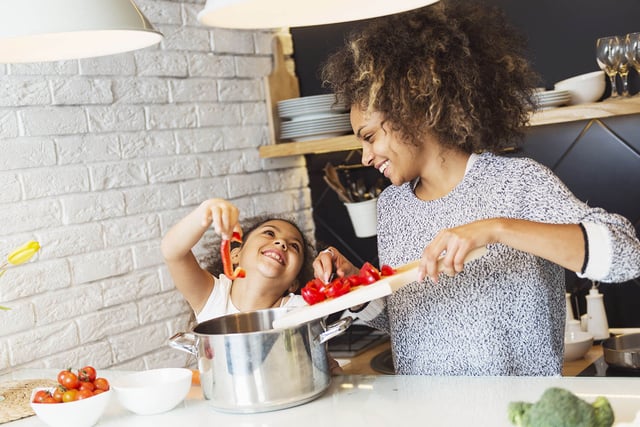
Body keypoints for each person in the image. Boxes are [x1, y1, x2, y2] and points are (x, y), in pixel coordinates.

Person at [313, 0, 640, 376]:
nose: (366, 157)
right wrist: (357, 285)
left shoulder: (516, 182)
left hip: (517, 412)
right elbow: (411, 324)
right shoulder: (392, 206)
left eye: (370, 137)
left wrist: (494, 228)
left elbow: (627, 255)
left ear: (413, 111)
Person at [161, 198, 315, 324]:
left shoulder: (301, 308)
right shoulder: (214, 297)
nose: (281, 242)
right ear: (235, 255)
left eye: (294, 246)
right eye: (269, 233)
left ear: (293, 284)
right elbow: (173, 253)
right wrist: (206, 210)